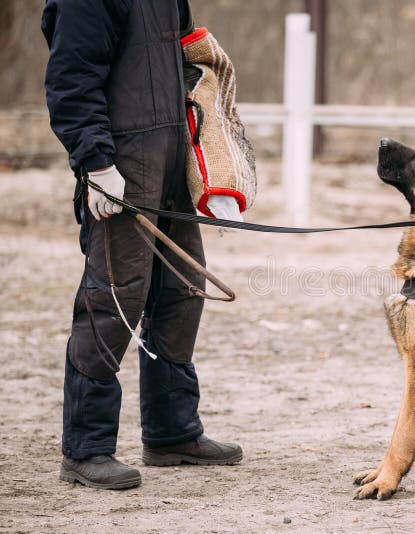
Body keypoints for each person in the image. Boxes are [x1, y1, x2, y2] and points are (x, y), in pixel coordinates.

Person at [42, 0, 242, 490]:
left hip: (172, 158)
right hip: (122, 162)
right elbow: (72, 79)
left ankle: (172, 433)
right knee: (113, 299)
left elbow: (190, 66)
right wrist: (95, 163)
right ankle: (86, 448)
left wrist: (211, 160)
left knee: (182, 293)